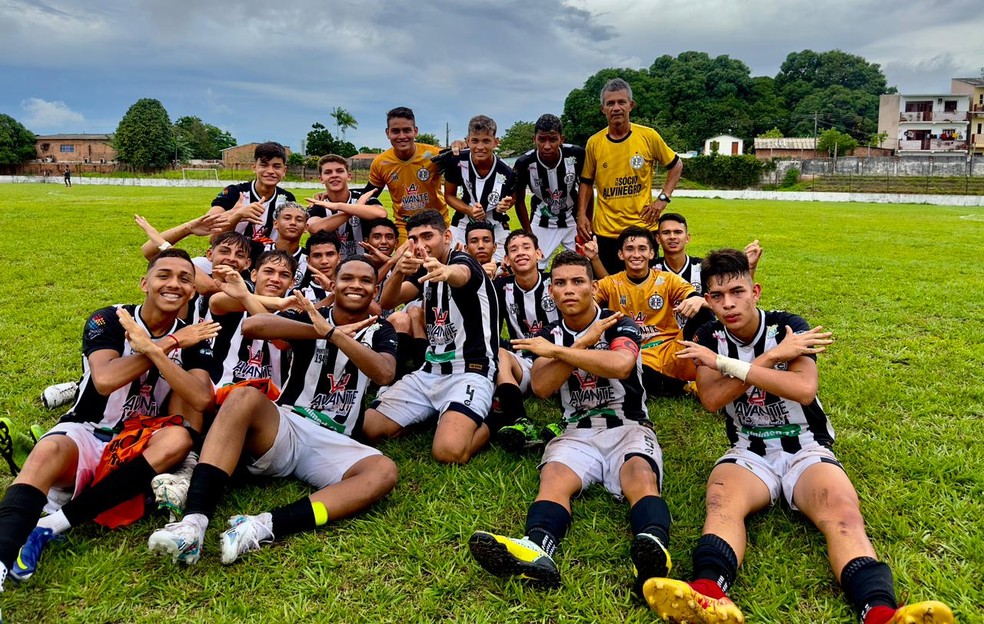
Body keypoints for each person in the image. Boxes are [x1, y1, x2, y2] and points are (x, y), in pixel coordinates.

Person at [643, 249, 953, 624]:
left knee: (841, 513)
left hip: (805, 446)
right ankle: (709, 595)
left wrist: (734, 365)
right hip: (749, 448)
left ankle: (881, 613)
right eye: (718, 296)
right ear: (707, 300)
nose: (728, 304)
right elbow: (710, 398)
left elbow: (804, 389)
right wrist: (770, 359)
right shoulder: (707, 335)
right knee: (722, 503)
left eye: (737, 292)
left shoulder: (787, 327)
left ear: (755, 291)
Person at [147, 257, 399, 565]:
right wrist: (321, 330)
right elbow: (254, 326)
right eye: (348, 278)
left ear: (376, 290)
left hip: (335, 437)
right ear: (333, 285)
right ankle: (192, 524)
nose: (356, 286)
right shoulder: (310, 317)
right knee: (243, 398)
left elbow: (385, 373)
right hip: (289, 423)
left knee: (383, 471)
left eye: (365, 281)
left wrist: (335, 335)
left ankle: (263, 525)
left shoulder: (381, 329)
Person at [0, 249, 218, 590]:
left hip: (138, 441)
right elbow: (104, 379)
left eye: (184, 278)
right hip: (88, 429)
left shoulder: (196, 335)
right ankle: (1, 560)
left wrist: (158, 348)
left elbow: (202, 398)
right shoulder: (109, 319)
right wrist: (166, 344)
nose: (174, 283)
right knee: (46, 454)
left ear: (192, 291)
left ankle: (50, 525)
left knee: (179, 438)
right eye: (164, 275)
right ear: (145, 283)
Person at [468, 251, 671, 598]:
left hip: (627, 424)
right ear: (551, 291)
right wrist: (579, 344)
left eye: (578, 281)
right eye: (560, 283)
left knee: (640, 474)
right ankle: (537, 549)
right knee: (554, 478)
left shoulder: (618, 322)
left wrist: (563, 352)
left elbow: (622, 364)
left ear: (593, 286)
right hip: (577, 429)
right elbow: (543, 388)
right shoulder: (550, 333)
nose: (569, 290)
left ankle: (651, 549)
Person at [365, 210, 499, 464]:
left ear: (447, 236)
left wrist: (446, 272)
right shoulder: (422, 268)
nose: (420, 245)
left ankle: (497, 417)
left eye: (428, 236)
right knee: (369, 428)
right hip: (430, 370)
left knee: (448, 452)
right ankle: (437, 412)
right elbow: (388, 301)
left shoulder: (463, 261)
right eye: (414, 239)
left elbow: (462, 273)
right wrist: (398, 272)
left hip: (470, 370)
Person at [577, 78, 683, 275]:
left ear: (631, 105)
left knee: (644, 288)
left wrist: (663, 199)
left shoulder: (648, 136)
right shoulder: (594, 143)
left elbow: (676, 164)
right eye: (610, 103)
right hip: (605, 232)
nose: (616, 108)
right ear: (603, 109)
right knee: (607, 289)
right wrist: (582, 214)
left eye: (621, 102)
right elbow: (586, 181)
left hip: (642, 229)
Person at [588, 226, 702, 397]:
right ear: (621, 254)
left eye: (642, 249)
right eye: (629, 249)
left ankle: (710, 367)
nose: (636, 255)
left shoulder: (666, 280)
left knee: (703, 314)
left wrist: (696, 299)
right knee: (626, 370)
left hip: (671, 350)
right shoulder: (610, 284)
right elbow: (586, 307)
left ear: (651, 254)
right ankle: (682, 387)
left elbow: (694, 297)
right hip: (635, 353)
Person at [488, 230, 562, 450]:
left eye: (526, 247)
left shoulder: (556, 282)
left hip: (558, 358)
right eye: (514, 249)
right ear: (507, 260)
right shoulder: (501, 287)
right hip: (524, 361)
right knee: (500, 356)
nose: (520, 252)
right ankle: (520, 421)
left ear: (539, 253)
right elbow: (487, 327)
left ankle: (570, 420)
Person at [652, 213, 762, 340]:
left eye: (678, 232)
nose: (672, 237)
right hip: (662, 337)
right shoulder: (651, 270)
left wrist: (750, 267)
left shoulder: (703, 267)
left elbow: (737, 295)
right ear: (658, 239)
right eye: (666, 233)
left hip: (702, 334)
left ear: (687, 238)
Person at [513, 114, 588, 268]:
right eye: (542, 139)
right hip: (542, 219)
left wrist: (586, 218)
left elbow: (585, 187)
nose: (547, 146)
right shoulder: (524, 163)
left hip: (572, 218)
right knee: (534, 263)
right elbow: (519, 200)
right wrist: (528, 232)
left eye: (553, 139)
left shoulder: (577, 155)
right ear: (534, 139)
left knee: (584, 263)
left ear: (562, 139)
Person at [366, 107, 449, 243]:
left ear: (415, 131)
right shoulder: (381, 163)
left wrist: (460, 146)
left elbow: (463, 162)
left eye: (407, 130)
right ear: (387, 133)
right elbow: (369, 194)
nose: (402, 136)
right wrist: (332, 196)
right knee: (406, 262)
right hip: (405, 227)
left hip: (437, 223)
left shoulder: (433, 154)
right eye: (395, 131)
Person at [441, 115, 517, 262]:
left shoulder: (507, 172)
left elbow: (513, 198)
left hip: (495, 223)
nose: (480, 147)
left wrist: (505, 204)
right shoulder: (456, 160)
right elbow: (449, 196)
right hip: (463, 221)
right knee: (452, 261)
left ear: (496, 142)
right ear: (467, 141)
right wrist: (469, 210)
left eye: (486, 141)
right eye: (475, 141)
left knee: (502, 266)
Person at [207, 142, 295, 243]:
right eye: (264, 165)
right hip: (233, 255)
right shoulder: (235, 192)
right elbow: (208, 224)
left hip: (268, 257)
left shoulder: (287, 199)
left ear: (284, 170)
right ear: (254, 168)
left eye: (276, 166)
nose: (270, 171)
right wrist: (236, 214)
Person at [306, 154, 387, 259]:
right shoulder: (319, 203)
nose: (334, 175)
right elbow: (314, 228)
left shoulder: (362, 198)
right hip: (331, 268)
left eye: (339, 171)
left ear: (349, 176)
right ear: (321, 179)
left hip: (364, 265)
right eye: (328, 172)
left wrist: (338, 206)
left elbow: (381, 213)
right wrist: (356, 208)